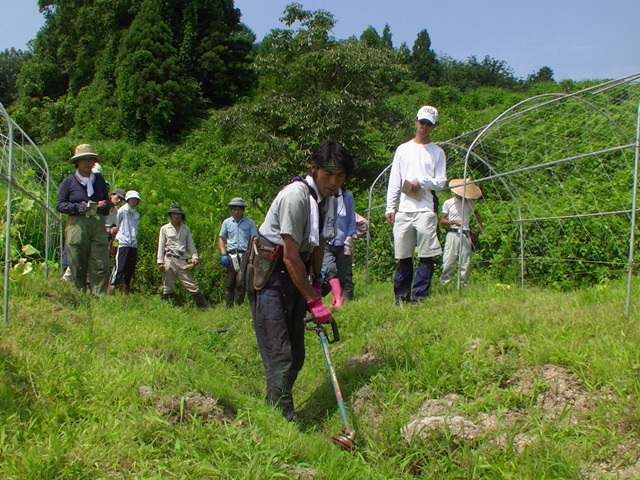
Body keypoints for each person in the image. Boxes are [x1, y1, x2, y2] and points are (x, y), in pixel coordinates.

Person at [248, 140, 355, 421]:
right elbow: (290, 256)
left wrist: (317, 281)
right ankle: (281, 419)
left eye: (340, 176)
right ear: (313, 168)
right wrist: (314, 302)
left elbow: (318, 241)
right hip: (272, 273)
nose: (334, 182)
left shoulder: (328, 199)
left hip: (297, 274)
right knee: (279, 353)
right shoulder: (296, 196)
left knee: (296, 354)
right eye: (328, 174)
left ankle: (275, 403)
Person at [385, 105, 447, 305]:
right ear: (415, 122)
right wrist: (390, 207)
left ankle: (420, 296)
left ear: (434, 127)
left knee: (426, 255)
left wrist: (422, 180)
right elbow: (395, 180)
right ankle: (401, 297)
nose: (424, 127)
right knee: (403, 255)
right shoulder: (403, 149)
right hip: (404, 210)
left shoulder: (437, 152)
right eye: (422, 122)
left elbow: (442, 182)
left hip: (425, 209)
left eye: (429, 124)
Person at [56, 144, 113, 295]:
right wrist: (80, 207)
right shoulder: (69, 181)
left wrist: (104, 204)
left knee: (100, 261)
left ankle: (99, 295)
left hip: (97, 223)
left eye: (90, 159)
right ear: (77, 162)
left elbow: (108, 204)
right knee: (77, 260)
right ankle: (78, 294)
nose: (88, 162)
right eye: (84, 159)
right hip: (77, 224)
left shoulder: (99, 181)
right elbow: (60, 205)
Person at [157, 204, 210, 311]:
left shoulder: (186, 229)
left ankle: (203, 306)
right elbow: (161, 246)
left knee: (190, 284)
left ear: (181, 216)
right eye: (174, 214)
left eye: (178, 214)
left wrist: (195, 257)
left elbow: (191, 244)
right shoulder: (164, 228)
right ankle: (170, 307)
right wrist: (160, 262)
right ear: (170, 215)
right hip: (169, 257)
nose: (176, 216)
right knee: (168, 285)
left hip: (182, 259)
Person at [440, 178, 484, 286]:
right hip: (453, 233)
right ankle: (444, 284)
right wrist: (452, 222)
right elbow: (442, 221)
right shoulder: (448, 203)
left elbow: (477, 214)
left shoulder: (469, 203)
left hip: (465, 233)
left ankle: (463, 284)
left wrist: (480, 226)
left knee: (465, 261)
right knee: (448, 260)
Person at [217, 197, 258, 308]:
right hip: (231, 255)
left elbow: (255, 239)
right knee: (229, 281)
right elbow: (221, 238)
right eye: (234, 209)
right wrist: (223, 254)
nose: (236, 211)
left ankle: (239, 305)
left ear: (242, 210)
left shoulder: (250, 223)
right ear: (231, 210)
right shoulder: (227, 222)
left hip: (245, 254)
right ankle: (228, 306)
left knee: (241, 280)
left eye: (239, 209)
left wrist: (252, 257)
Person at [322, 189, 356, 307]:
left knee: (343, 274)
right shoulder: (324, 194)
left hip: (343, 241)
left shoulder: (348, 197)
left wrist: (349, 238)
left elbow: (351, 218)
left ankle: (340, 301)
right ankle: (337, 298)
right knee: (330, 269)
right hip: (326, 241)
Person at [108, 190, 141, 294]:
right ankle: (111, 289)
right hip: (122, 242)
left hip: (133, 244)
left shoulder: (136, 214)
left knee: (130, 268)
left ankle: (125, 290)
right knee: (119, 267)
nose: (133, 201)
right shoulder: (122, 211)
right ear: (127, 199)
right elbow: (116, 226)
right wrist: (115, 242)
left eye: (135, 199)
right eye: (132, 199)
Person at [105, 188, 126, 259]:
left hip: (108, 239)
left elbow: (114, 224)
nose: (119, 200)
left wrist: (114, 229)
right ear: (111, 195)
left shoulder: (115, 210)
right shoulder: (103, 207)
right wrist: (109, 230)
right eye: (118, 197)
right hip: (98, 236)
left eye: (121, 199)